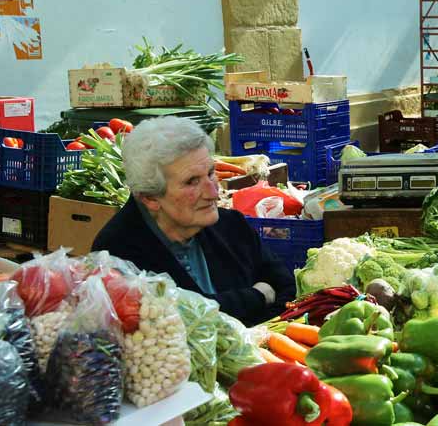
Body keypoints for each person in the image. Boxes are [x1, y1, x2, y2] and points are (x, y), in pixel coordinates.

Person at [91, 117, 295, 326]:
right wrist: (257, 296)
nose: (213, 191)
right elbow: (175, 327)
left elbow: (286, 290)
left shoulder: (231, 225)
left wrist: (230, 309)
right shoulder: (116, 254)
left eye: (210, 173)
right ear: (150, 198)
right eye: (192, 182)